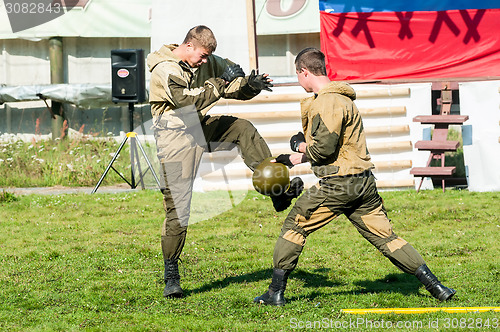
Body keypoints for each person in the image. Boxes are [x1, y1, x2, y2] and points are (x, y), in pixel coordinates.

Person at [253, 47, 456, 306]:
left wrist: (299, 145)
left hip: (338, 186)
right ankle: (436, 286)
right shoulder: (344, 99)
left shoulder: (326, 102)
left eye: (297, 75)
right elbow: (339, 150)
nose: (298, 80)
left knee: (294, 227)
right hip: (363, 185)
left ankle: (274, 293)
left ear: (304, 72)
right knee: (386, 237)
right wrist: (290, 159)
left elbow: (323, 149)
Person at [147, 25, 303, 298]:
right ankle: (171, 274)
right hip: (175, 137)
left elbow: (232, 80)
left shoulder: (207, 60)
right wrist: (220, 83)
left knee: (242, 129)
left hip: (200, 127)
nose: (206, 61)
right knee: (178, 209)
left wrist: (249, 85)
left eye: (209, 57)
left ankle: (277, 191)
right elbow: (186, 102)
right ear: (189, 46)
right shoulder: (164, 68)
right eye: (203, 55)